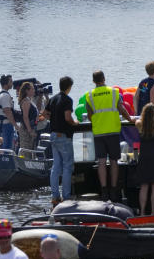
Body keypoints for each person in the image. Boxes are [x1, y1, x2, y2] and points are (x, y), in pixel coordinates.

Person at [85, 70, 134, 199]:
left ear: (93, 81)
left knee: (101, 162)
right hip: (113, 130)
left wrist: (97, 121)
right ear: (104, 78)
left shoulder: (89, 95)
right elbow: (122, 109)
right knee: (114, 161)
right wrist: (130, 120)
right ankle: (114, 189)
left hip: (98, 131)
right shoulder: (114, 92)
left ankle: (104, 190)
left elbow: (89, 115)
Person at [43, 76, 77, 206]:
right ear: (69, 87)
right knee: (68, 166)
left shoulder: (53, 99)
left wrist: (53, 117)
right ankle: (66, 197)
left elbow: (44, 114)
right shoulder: (67, 100)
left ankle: (55, 196)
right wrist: (74, 123)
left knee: (56, 167)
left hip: (53, 135)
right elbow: (68, 118)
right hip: (63, 136)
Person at [0, 74, 18, 151]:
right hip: (5, 125)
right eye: (10, 81)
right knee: (7, 148)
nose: (12, 82)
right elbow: (7, 112)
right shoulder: (5, 96)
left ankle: (0, 160)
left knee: (1, 145)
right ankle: (5, 161)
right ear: (6, 83)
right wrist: (15, 125)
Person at [15, 81, 40, 154]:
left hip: (32, 127)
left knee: (32, 150)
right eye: (32, 89)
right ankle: (22, 164)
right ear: (27, 91)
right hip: (26, 129)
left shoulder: (30, 100)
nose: (34, 90)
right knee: (26, 150)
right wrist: (30, 131)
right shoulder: (26, 101)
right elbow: (25, 117)